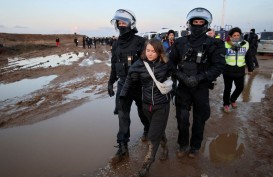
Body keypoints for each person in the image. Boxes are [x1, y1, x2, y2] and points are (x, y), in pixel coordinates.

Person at [169, 7, 226, 158]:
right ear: (190, 23)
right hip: (183, 87)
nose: (198, 24)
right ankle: (183, 144)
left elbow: (219, 66)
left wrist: (199, 78)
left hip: (201, 88)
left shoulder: (215, 44)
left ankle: (195, 146)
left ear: (206, 24)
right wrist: (182, 76)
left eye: (201, 22)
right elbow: (170, 64)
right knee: (182, 118)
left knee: (200, 119)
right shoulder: (179, 42)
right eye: (195, 22)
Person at [120, 38, 172, 176]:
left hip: (162, 105)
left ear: (159, 52)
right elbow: (129, 79)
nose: (150, 53)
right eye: (148, 50)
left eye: (153, 51)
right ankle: (165, 146)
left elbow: (175, 76)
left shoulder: (166, 63)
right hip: (146, 105)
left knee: (153, 135)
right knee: (157, 130)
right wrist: (123, 96)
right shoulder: (139, 64)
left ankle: (145, 167)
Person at [107, 9, 150, 164]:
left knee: (143, 111)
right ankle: (122, 146)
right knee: (122, 115)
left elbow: (149, 64)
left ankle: (147, 130)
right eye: (119, 22)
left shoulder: (140, 42)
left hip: (139, 85)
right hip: (122, 85)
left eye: (124, 22)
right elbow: (114, 65)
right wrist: (110, 83)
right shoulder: (116, 44)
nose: (121, 24)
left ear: (131, 24)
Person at [222, 27, 254, 113]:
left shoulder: (245, 44)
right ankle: (226, 105)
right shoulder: (226, 44)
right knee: (227, 89)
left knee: (240, 87)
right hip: (228, 69)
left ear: (240, 35)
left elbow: (248, 57)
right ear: (231, 36)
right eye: (234, 35)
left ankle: (232, 99)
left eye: (238, 35)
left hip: (240, 69)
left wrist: (250, 68)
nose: (236, 37)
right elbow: (221, 57)